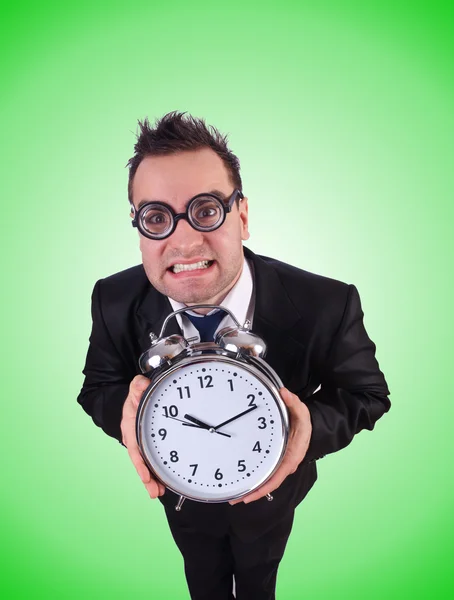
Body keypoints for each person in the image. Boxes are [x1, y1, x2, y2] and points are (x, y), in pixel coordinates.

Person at [77, 112, 390, 600]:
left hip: (273, 494)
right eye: (157, 217)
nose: (183, 241)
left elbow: (368, 395)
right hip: (182, 498)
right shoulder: (113, 301)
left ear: (241, 216)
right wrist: (127, 411)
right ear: (139, 227)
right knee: (202, 577)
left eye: (205, 210)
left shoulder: (326, 303)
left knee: (259, 574)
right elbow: (97, 386)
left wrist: (305, 427)